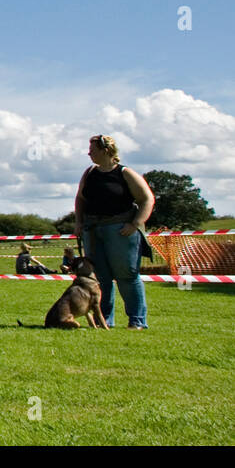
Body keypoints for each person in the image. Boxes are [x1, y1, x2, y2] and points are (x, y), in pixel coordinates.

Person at [74, 134, 156, 329]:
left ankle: (137, 321)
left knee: (126, 276)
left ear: (105, 151)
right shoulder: (89, 173)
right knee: (100, 277)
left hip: (120, 230)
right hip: (93, 230)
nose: (89, 153)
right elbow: (80, 199)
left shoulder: (125, 173)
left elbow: (147, 199)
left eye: (92, 150)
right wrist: (79, 222)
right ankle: (104, 321)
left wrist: (135, 224)